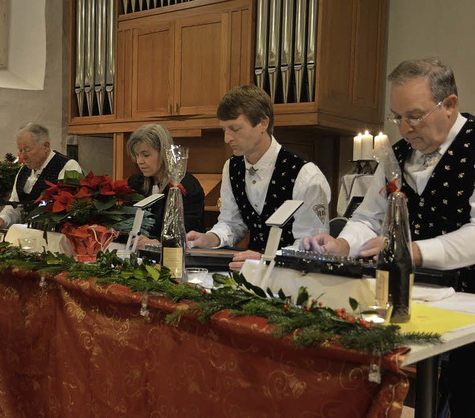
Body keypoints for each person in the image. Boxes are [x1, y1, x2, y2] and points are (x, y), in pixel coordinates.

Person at [300, 57, 475, 417]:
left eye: (415, 115)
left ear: (451, 104)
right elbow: (369, 216)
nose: (406, 128)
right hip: (417, 296)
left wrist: (409, 250)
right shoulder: (396, 155)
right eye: (397, 117)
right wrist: (344, 243)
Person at [186, 85, 331, 270]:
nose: (227, 138)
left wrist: (267, 259)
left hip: (293, 277)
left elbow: (313, 246)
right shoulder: (231, 167)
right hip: (249, 274)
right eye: (224, 129)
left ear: (262, 123)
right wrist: (210, 238)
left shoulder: (306, 175)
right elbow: (231, 223)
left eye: (235, 129)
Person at [0, 122, 83, 230]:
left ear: (46, 146)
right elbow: (15, 206)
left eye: (27, 150)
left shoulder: (67, 166)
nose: (23, 156)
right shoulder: (23, 171)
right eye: (20, 150)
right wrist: (2, 219)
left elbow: (70, 209)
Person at [126, 124, 205, 248]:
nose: (139, 161)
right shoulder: (135, 183)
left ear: (164, 153)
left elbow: (189, 232)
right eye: (137, 155)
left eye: (146, 155)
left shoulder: (187, 186)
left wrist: (157, 243)